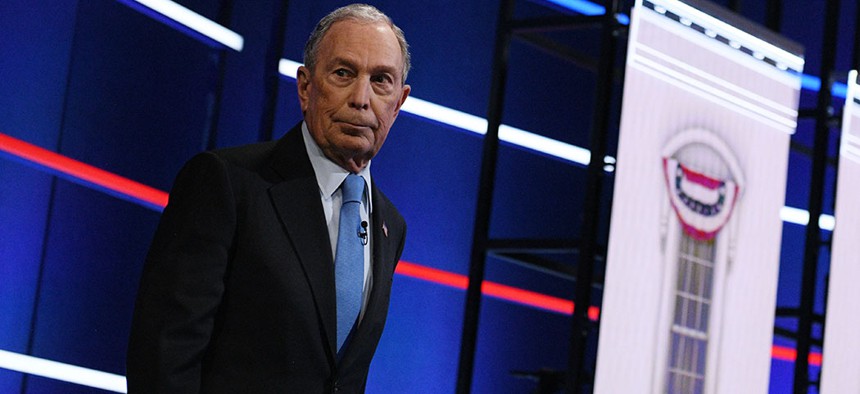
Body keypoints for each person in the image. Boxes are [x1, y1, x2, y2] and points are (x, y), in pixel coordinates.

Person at [126, 4, 411, 393]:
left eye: (381, 80)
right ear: (306, 87)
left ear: (398, 103)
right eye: (343, 73)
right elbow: (163, 357)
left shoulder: (390, 225)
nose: (361, 98)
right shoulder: (227, 183)